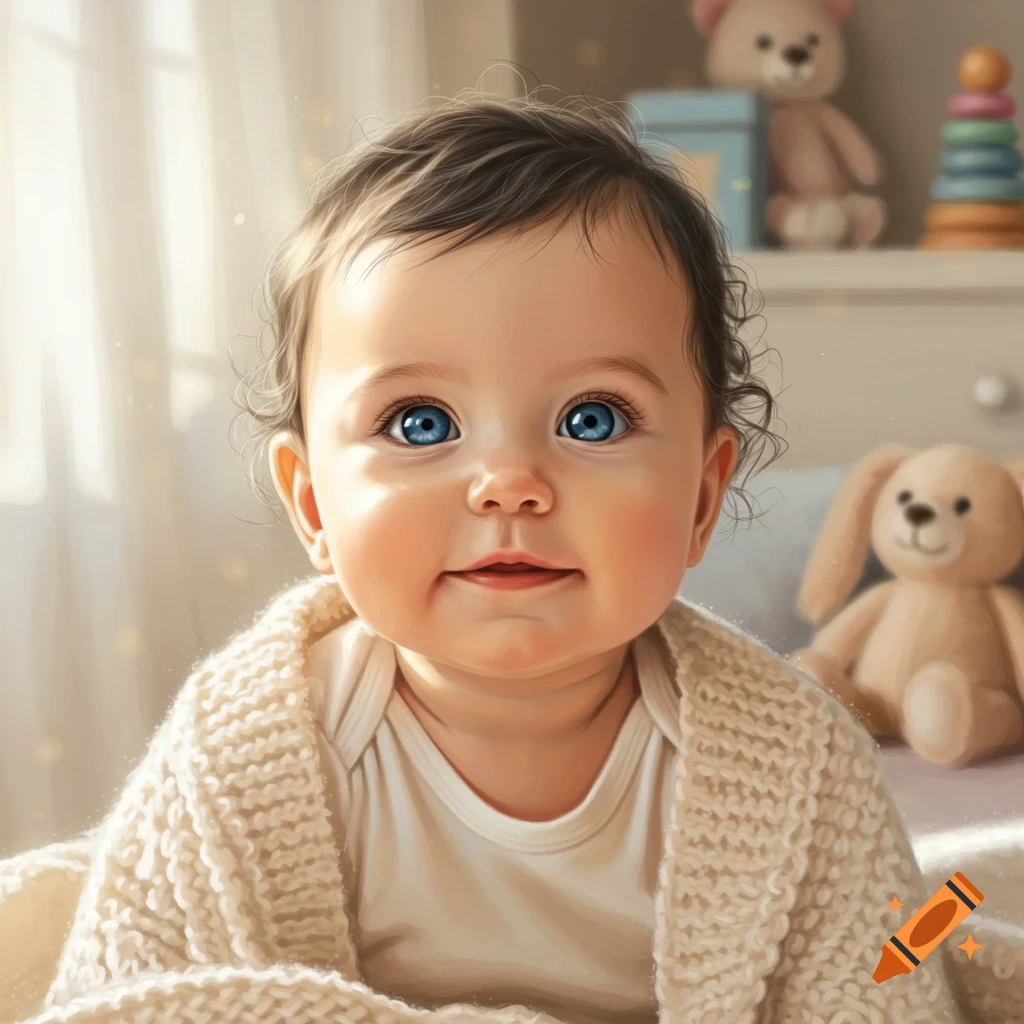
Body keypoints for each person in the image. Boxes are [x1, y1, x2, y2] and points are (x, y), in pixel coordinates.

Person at [0, 93, 990, 1024]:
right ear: (311, 503)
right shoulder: (240, 761)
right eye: (419, 421)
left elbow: (879, 980)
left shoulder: (797, 770)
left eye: (591, 418)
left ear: (699, 495)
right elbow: (138, 988)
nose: (508, 482)